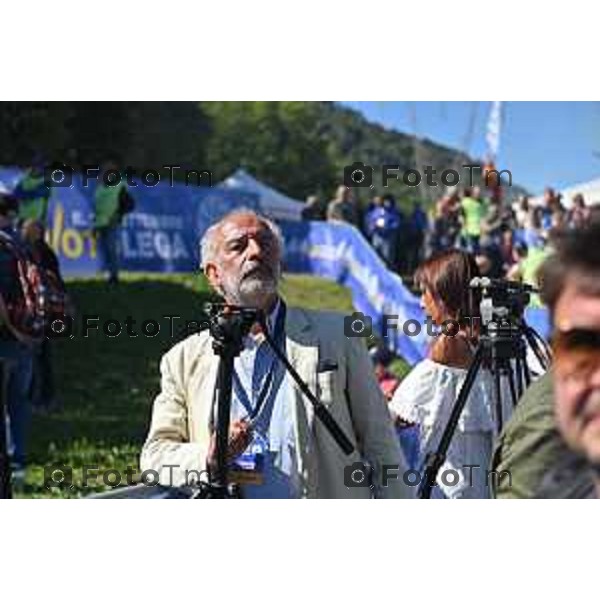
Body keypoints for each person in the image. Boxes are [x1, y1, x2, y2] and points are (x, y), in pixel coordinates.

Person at [141, 209, 412, 498]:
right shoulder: (182, 360)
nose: (256, 252)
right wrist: (209, 457)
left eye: (265, 243)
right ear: (213, 274)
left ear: (279, 262)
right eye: (238, 246)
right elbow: (155, 456)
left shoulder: (339, 335)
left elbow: (380, 443)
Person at [389, 249, 515, 498]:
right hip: (487, 482)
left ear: (445, 295)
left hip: (451, 483)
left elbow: (397, 411)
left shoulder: (449, 343)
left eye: (426, 292)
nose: (421, 302)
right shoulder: (488, 339)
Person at [0, 193, 34, 478]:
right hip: (29, 335)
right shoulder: (25, 244)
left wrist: (11, 328)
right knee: (18, 402)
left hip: (6, 334)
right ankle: (19, 460)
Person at [93, 158, 131, 285]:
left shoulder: (119, 185)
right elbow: (98, 206)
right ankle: (110, 275)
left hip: (111, 222)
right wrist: (95, 224)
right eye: (104, 169)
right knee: (105, 250)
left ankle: (114, 277)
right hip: (100, 223)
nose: (105, 172)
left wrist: (118, 215)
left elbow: (129, 203)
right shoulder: (100, 187)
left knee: (111, 249)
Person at [13, 162, 51, 226]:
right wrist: (24, 194)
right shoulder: (25, 179)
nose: (37, 170)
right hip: (23, 216)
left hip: (37, 219)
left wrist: (24, 194)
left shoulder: (45, 181)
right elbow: (16, 193)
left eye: (40, 168)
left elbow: (39, 193)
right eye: (36, 167)